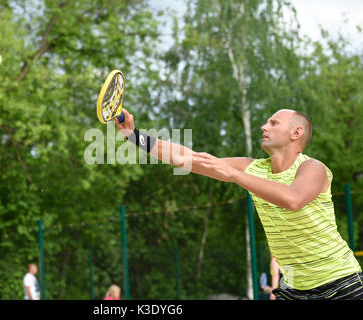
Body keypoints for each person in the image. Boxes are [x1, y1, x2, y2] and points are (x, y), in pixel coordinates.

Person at [115, 108, 363, 300]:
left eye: (274, 123)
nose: (264, 126)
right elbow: (186, 158)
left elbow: (293, 199)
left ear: (296, 133)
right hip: (296, 287)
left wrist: (235, 175)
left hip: (341, 282)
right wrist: (133, 136)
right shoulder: (253, 168)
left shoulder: (313, 168)